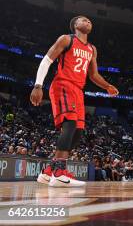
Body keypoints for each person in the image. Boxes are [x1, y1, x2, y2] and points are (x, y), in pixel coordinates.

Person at [31, 15, 119, 187]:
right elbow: (47, 60)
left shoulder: (92, 49)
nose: (88, 22)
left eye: (89, 21)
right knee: (70, 123)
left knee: (78, 132)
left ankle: (49, 171)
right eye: (83, 20)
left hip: (78, 90)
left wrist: (107, 86)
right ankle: (60, 172)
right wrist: (38, 85)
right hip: (63, 85)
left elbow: (93, 75)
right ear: (75, 25)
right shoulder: (66, 39)